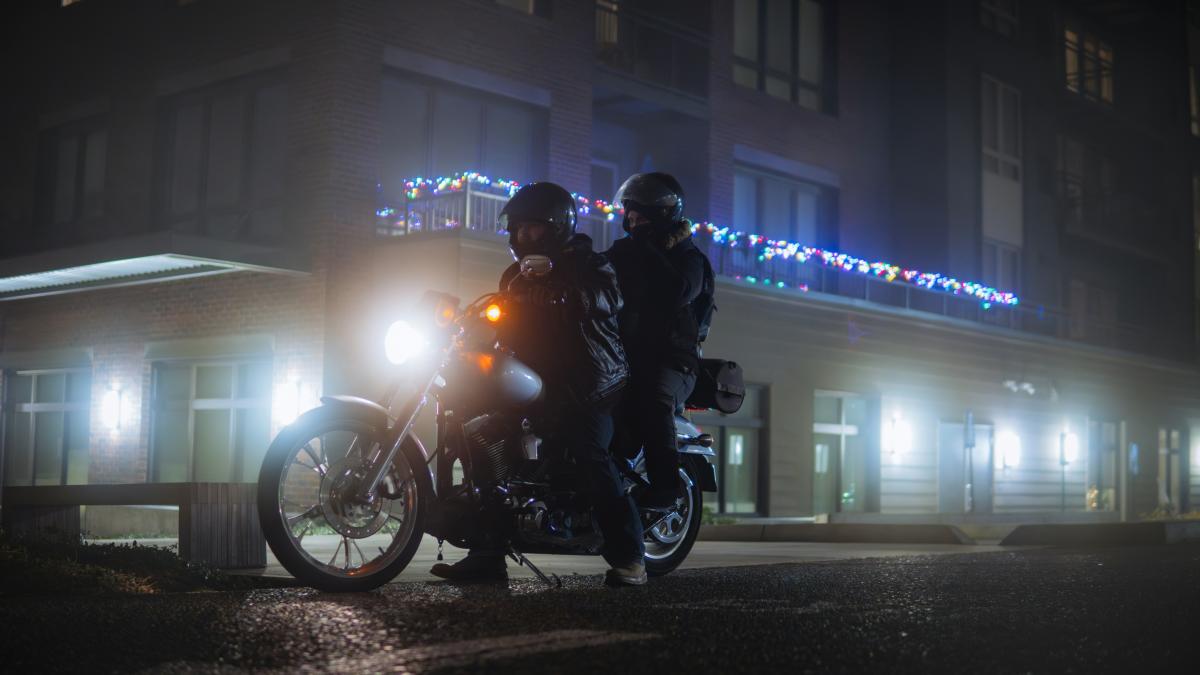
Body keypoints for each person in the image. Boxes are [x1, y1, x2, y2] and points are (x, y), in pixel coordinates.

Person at [430, 181, 647, 586]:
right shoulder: (515, 275)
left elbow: (605, 298)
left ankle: (630, 557)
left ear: (557, 227)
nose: (521, 237)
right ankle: (488, 553)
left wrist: (566, 297)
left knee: (589, 453)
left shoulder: (589, 264)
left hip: (590, 381)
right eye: (516, 229)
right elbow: (504, 320)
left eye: (531, 229)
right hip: (533, 377)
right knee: (481, 437)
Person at [605, 172, 714, 508]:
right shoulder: (625, 252)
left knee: (653, 399)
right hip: (623, 356)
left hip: (674, 360)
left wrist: (647, 249)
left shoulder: (690, 260)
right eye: (630, 217)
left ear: (662, 217)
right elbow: (594, 274)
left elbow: (677, 293)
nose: (633, 224)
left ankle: (666, 488)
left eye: (641, 218)